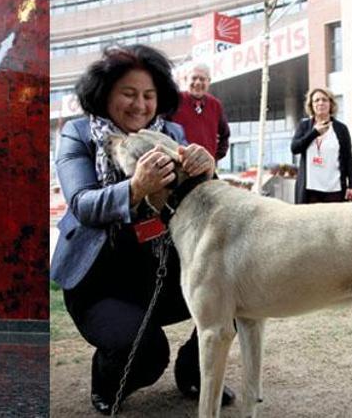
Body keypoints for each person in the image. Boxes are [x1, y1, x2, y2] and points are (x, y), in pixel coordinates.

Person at [50, 44, 235, 415]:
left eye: (149, 96)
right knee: (147, 353)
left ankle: (195, 372)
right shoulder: (78, 134)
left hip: (164, 270)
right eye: (129, 94)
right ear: (105, 94)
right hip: (100, 279)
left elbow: (194, 195)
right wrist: (135, 189)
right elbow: (83, 204)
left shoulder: (172, 132)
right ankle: (105, 379)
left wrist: (205, 168)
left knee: (233, 292)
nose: (140, 105)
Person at [290, 87, 352, 204]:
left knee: (334, 222)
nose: (321, 103)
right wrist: (314, 133)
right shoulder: (304, 126)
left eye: (325, 100)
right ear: (311, 105)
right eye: (317, 100)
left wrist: (351, 185)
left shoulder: (341, 129)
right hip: (310, 189)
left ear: (331, 104)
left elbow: (348, 159)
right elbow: (295, 148)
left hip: (335, 189)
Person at [170, 62, 230, 160]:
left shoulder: (215, 105)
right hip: (179, 167)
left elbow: (225, 135)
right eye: (194, 78)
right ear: (186, 79)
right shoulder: (174, 101)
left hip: (206, 170)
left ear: (209, 81)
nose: (198, 83)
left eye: (202, 79)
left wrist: (214, 158)